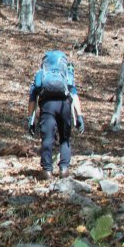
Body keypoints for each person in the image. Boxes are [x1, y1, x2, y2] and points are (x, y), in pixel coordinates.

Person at [27, 49, 85, 179]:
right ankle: (64, 169)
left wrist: (31, 119)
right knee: (65, 138)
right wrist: (79, 116)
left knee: (47, 138)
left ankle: (47, 170)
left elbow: (32, 97)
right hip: (65, 105)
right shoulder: (66, 74)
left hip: (47, 106)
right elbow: (74, 93)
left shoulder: (41, 74)